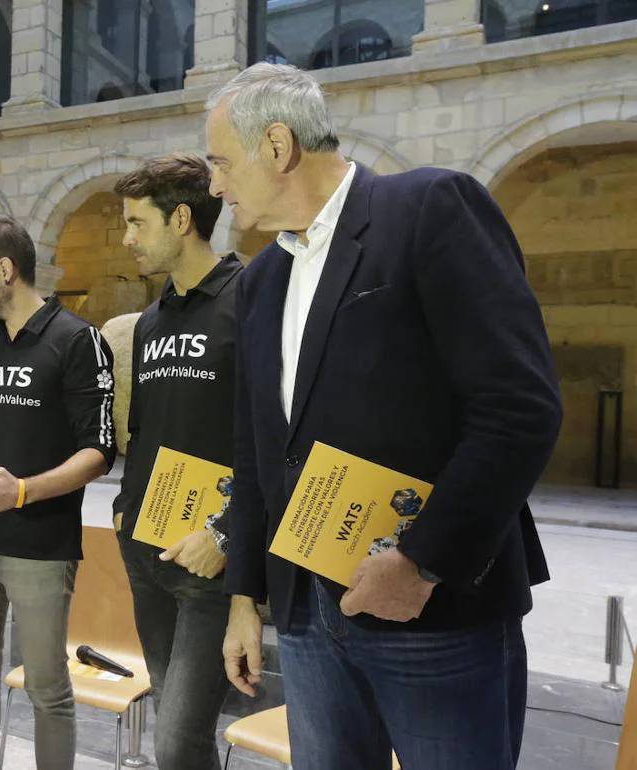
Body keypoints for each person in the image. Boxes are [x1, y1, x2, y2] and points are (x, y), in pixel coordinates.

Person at [209, 63, 563, 770]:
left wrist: (423, 562)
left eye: (221, 162)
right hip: (308, 617)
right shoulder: (260, 282)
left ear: (277, 147)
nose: (215, 186)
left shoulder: (429, 208)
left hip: (433, 616)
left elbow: (518, 406)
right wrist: (245, 595)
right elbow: (257, 452)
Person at [0, 212, 117, 770]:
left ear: (5, 270)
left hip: (41, 545)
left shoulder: (77, 340)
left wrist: (21, 492)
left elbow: (99, 450)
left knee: (47, 690)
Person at [110, 154, 242, 770]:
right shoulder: (152, 319)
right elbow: (143, 430)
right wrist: (123, 509)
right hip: (147, 553)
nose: (127, 237)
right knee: (177, 733)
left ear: (182, 219)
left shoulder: (249, 299)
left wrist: (227, 533)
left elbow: (276, 436)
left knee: (177, 743)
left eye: (138, 222)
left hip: (208, 559)